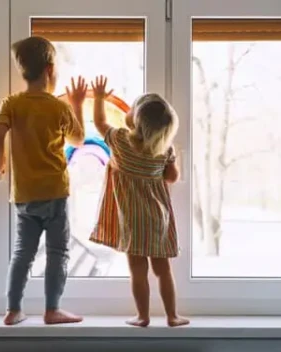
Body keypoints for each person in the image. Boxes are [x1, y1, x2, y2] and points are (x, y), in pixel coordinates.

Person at [0, 36, 87, 326]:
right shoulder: (58, 108)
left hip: (25, 195)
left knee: (22, 253)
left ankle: (13, 310)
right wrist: (77, 104)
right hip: (55, 193)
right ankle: (52, 309)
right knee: (57, 252)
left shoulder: (12, 104)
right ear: (50, 69)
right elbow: (79, 139)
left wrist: (0, 163)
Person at [89, 76, 189, 327]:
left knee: (138, 272)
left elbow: (100, 123)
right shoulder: (163, 150)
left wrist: (100, 98)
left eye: (133, 107)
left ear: (137, 120)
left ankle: (143, 316)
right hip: (157, 220)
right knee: (163, 270)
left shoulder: (122, 141)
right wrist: (171, 162)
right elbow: (172, 177)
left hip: (132, 221)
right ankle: (172, 316)